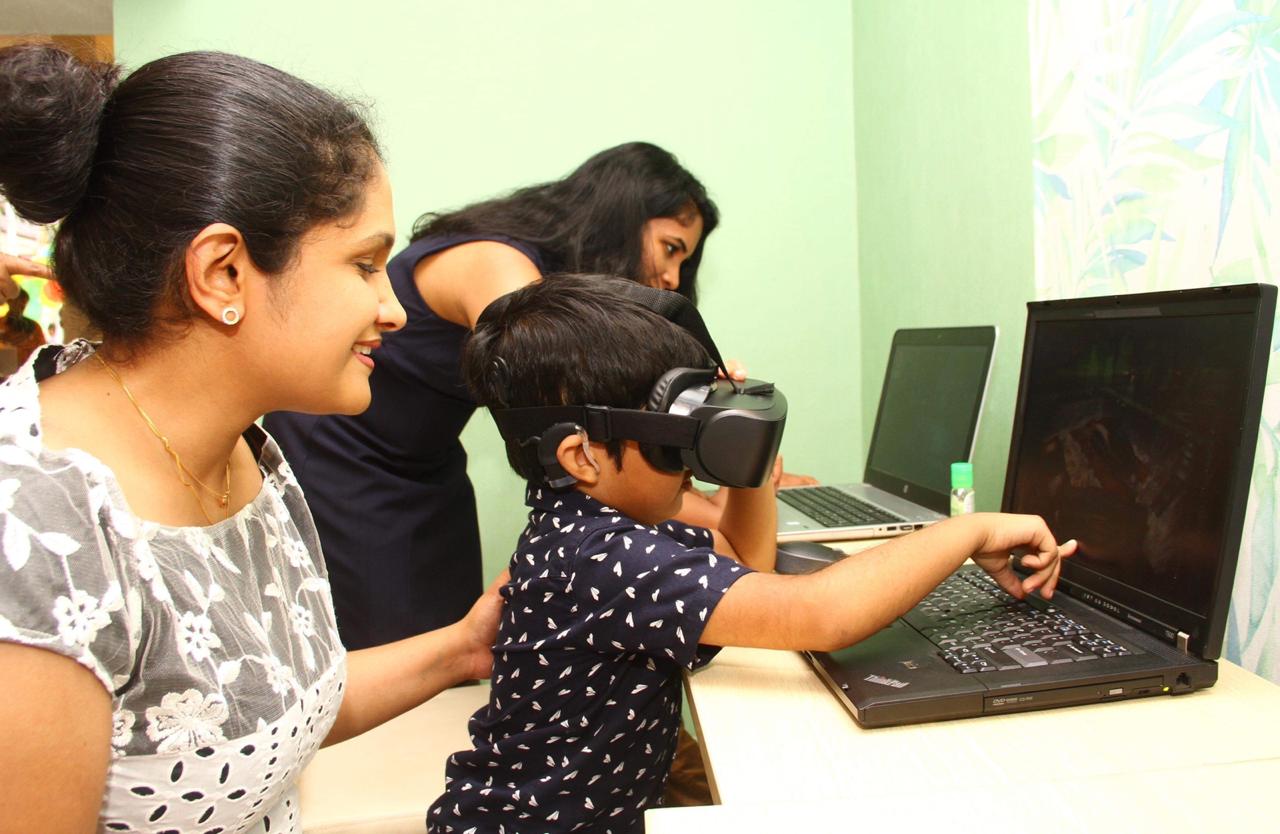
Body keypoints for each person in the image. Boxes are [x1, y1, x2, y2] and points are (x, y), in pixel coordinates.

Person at [0, 44, 504, 834]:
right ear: (224, 272)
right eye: (366, 265)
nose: (395, 309)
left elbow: (259, 711)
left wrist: (466, 648)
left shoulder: (246, 455)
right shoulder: (35, 529)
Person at [428, 275, 1076, 833]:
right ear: (581, 455)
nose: (694, 459)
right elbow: (822, 613)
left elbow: (744, 559)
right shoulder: (605, 559)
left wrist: (747, 457)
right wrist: (968, 531)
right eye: (675, 442)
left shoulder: (589, 527)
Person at [264, 141, 812, 652]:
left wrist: (736, 487)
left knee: (453, 646)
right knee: (392, 648)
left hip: (426, 463)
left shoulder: (544, 281)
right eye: (670, 249)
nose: (672, 276)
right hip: (345, 462)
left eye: (684, 262)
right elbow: (588, 435)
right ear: (620, 218)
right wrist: (723, 491)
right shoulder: (501, 269)